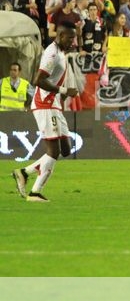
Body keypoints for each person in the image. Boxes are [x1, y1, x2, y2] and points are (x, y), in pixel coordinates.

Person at [11, 23, 79, 202]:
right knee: (53, 150)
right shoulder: (52, 53)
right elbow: (38, 80)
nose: (73, 41)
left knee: (65, 149)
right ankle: (35, 192)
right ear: (61, 35)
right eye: (70, 37)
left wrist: (62, 95)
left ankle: (24, 172)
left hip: (54, 104)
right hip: (45, 104)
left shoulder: (61, 52)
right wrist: (64, 91)